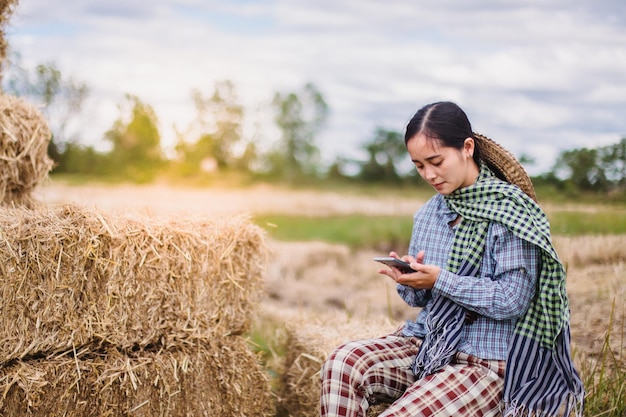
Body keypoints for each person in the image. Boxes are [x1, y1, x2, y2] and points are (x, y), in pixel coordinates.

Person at [320, 101, 584, 417]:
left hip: (488, 362)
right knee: (342, 363)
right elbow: (421, 300)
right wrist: (410, 280)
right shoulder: (429, 214)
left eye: (436, 161)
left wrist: (440, 279)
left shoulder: (510, 213)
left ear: (467, 148)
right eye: (419, 166)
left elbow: (513, 300)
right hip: (430, 345)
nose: (429, 174)